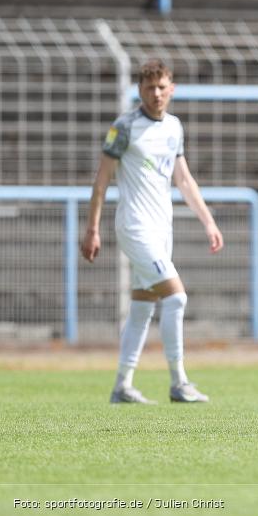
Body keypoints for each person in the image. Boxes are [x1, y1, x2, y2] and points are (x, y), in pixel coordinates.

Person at [81, 59, 224, 405]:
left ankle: (122, 386)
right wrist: (92, 228)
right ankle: (179, 382)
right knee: (176, 297)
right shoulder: (124, 127)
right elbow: (101, 181)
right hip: (134, 227)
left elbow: (184, 180)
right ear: (140, 91)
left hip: (162, 230)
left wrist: (208, 221)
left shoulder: (174, 127)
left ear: (171, 88)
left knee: (143, 306)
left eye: (162, 87)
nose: (156, 93)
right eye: (149, 88)